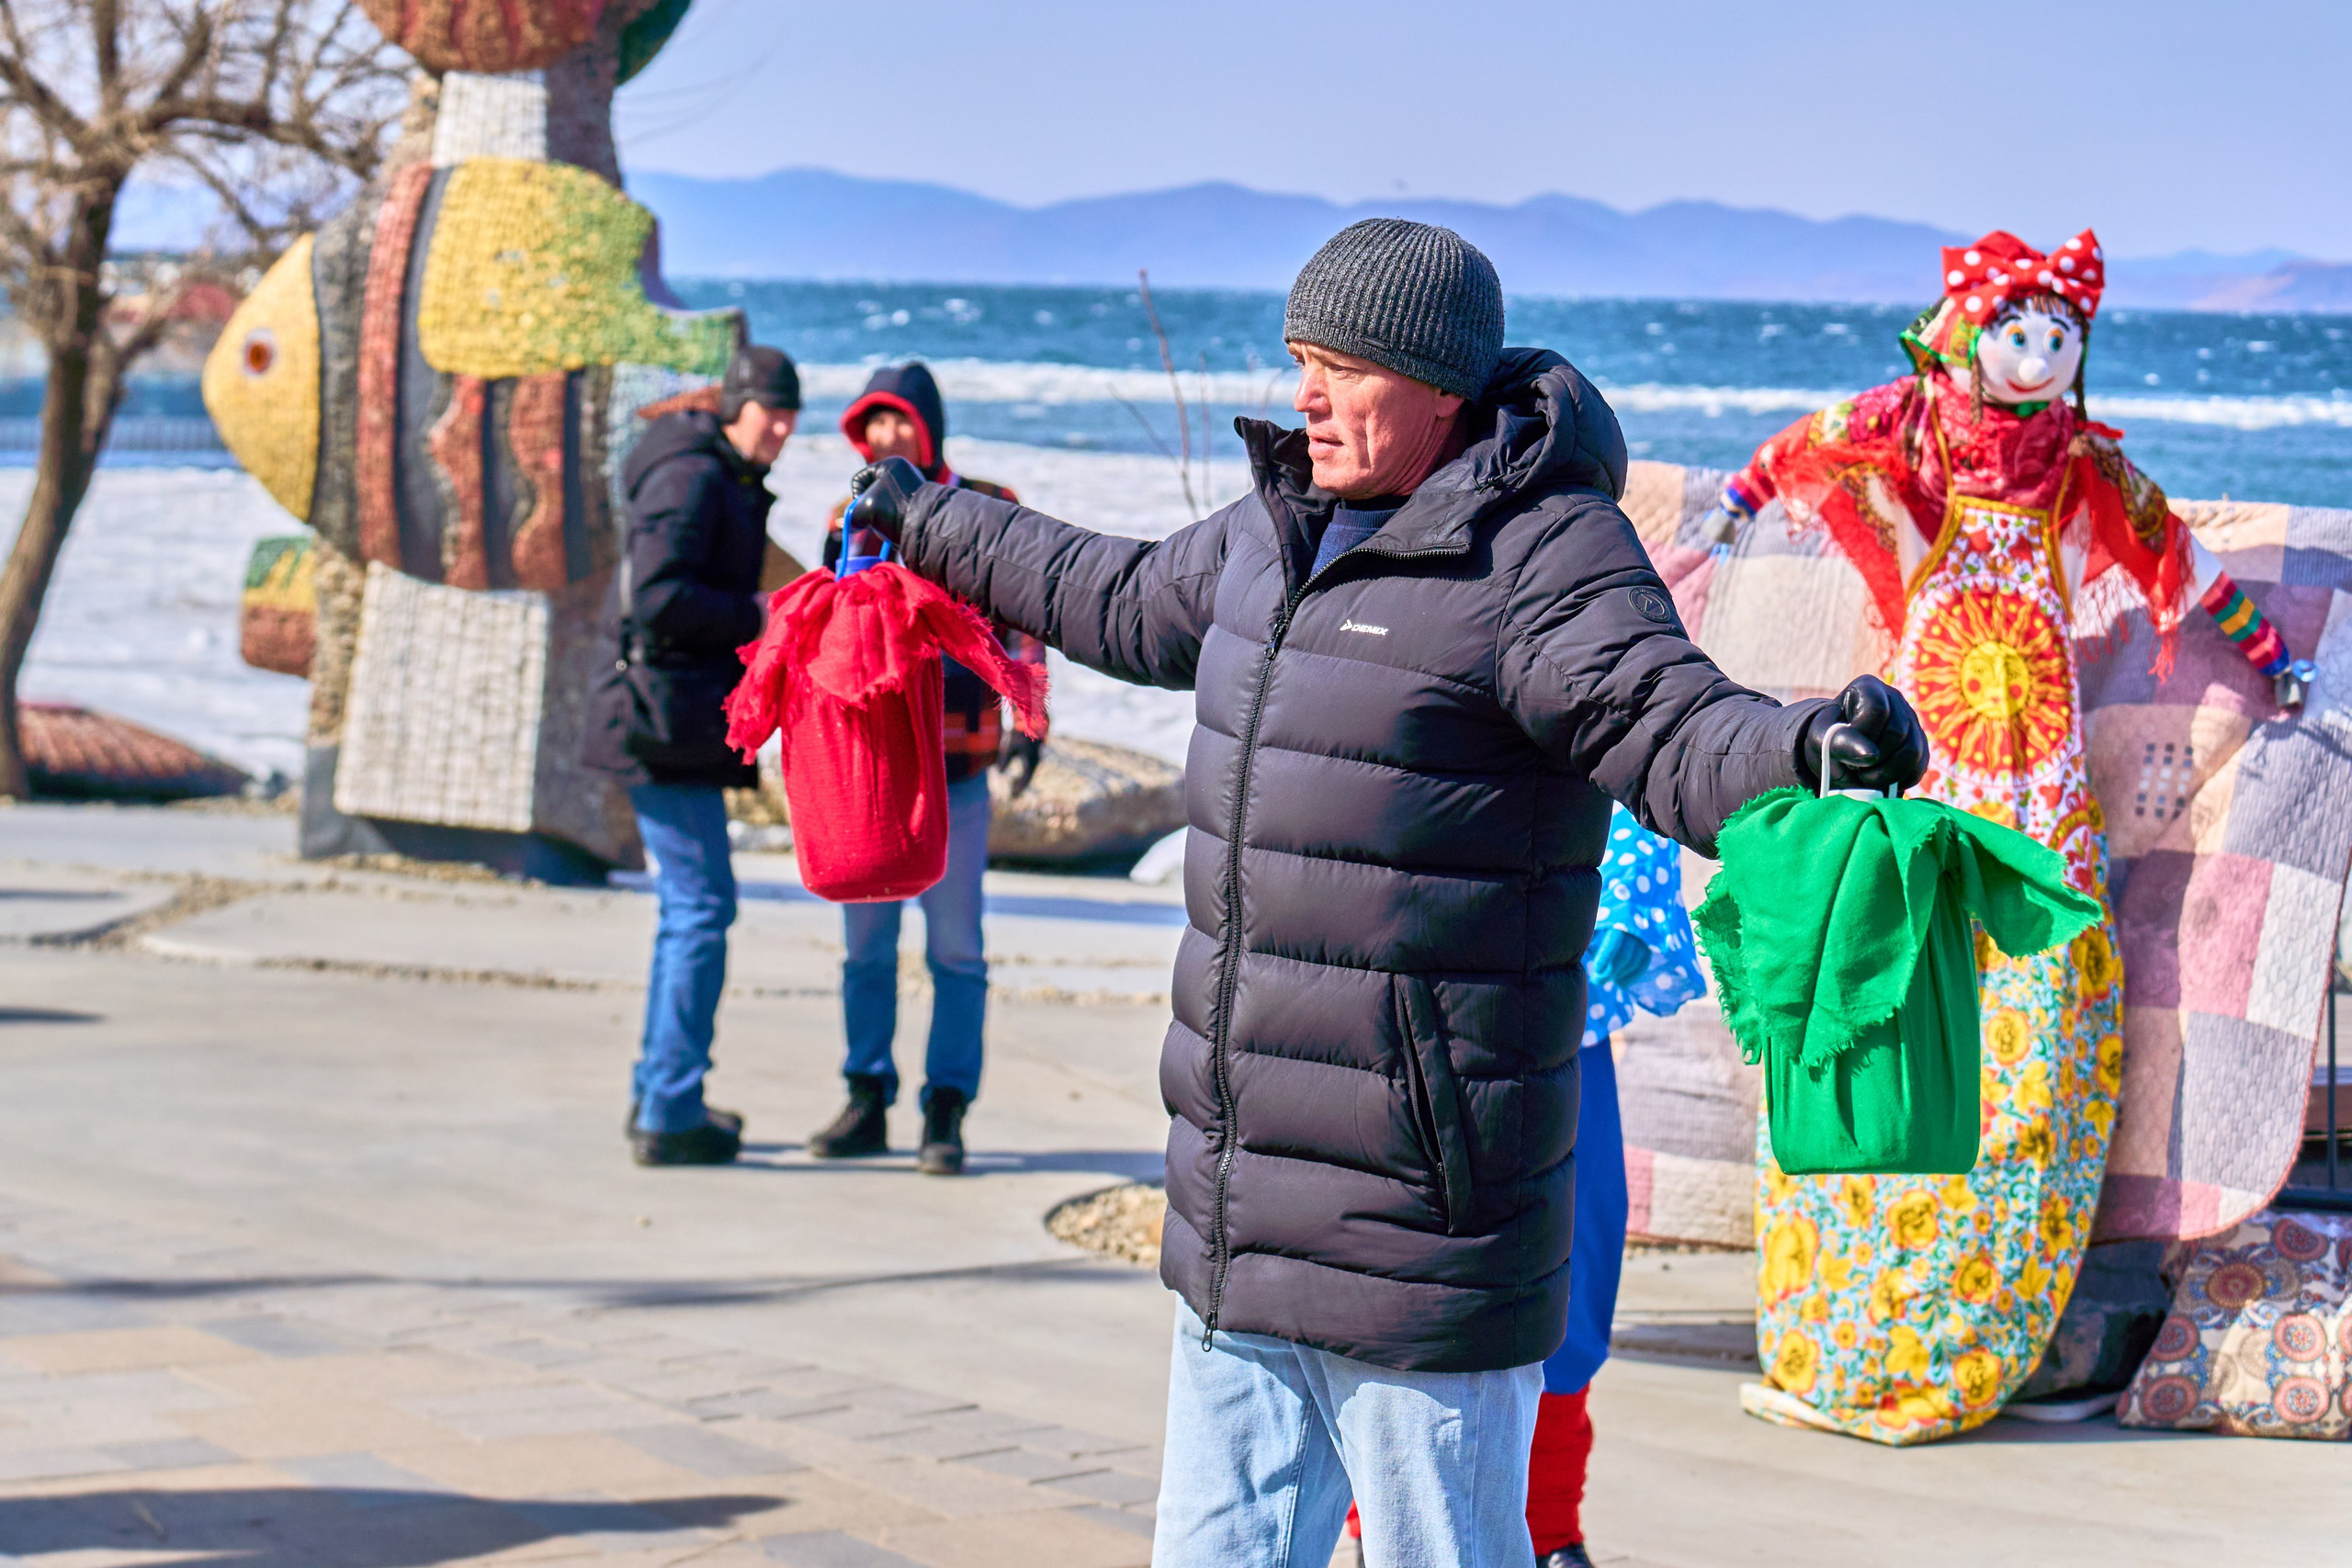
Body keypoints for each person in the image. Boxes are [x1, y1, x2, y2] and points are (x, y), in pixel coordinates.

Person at [843, 219, 1928, 1567]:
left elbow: (1665, 717)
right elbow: (1106, 589)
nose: (1303, 393)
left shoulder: (1541, 556)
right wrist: (922, 515)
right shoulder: (1268, 530)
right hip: (1239, 1217)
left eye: (1339, 366)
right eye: (1298, 358)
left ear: (1438, 388)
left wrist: (1804, 745)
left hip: (1420, 1222)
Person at [1706, 229, 2305, 1444]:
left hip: (2037, 777)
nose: (2038, 356)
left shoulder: (2078, 470)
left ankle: (1972, 1330)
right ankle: (1852, 1322)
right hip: (1932, 772)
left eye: (2059, 337)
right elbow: (1798, 452)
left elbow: (2175, 560)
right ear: (1966, 340)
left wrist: (2270, 654)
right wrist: (1727, 512)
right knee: (1891, 1021)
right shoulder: (1910, 444)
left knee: (2029, 1044)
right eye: (2014, 333)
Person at [1340, 807, 1705, 1566]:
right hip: (1412, 1012)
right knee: (1400, 1286)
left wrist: (1635, 891)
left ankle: (1548, 1527)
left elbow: (1629, 726)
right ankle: (1377, 1515)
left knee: (1570, 1284)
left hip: (1555, 1021)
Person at [804, 363, 1048, 1177]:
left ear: (930, 427)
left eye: (900, 422)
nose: (885, 438)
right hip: (876, 768)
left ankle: (946, 1108)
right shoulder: (851, 514)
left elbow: (1028, 617)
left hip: (958, 761)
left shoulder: (988, 503)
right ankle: (865, 1094)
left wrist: (1030, 713)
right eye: (872, 425)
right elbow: (828, 633)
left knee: (956, 949)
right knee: (866, 945)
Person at [585, 344, 800, 1167]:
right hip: (656, 719)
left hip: (667, 717)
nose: (779, 427)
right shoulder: (694, 476)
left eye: (789, 414)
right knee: (702, 909)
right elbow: (661, 597)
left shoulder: (714, 471)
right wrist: (756, 612)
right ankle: (669, 1107)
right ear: (734, 405)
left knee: (691, 908)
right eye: (768, 410)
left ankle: (660, 1092)